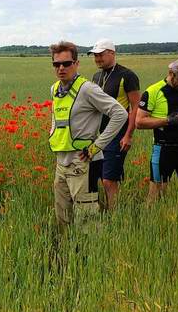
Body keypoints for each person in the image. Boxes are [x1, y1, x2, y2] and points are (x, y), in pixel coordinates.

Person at [48, 41, 128, 226]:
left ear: (76, 63)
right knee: (62, 218)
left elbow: (120, 113)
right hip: (62, 161)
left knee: (87, 220)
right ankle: (67, 253)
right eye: (56, 64)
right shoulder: (55, 89)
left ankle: (90, 254)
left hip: (84, 161)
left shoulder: (87, 89)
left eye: (66, 63)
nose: (61, 68)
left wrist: (97, 146)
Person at [135, 58, 178, 200]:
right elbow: (139, 122)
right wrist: (167, 121)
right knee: (156, 197)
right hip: (164, 149)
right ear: (171, 73)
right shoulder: (153, 91)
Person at [87, 39, 141, 210]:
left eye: (101, 55)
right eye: (95, 55)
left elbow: (135, 108)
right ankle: (101, 209)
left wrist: (128, 135)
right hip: (98, 133)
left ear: (112, 53)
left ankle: (114, 215)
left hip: (117, 133)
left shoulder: (127, 75)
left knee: (109, 178)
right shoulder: (96, 76)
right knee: (98, 174)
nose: (97, 59)